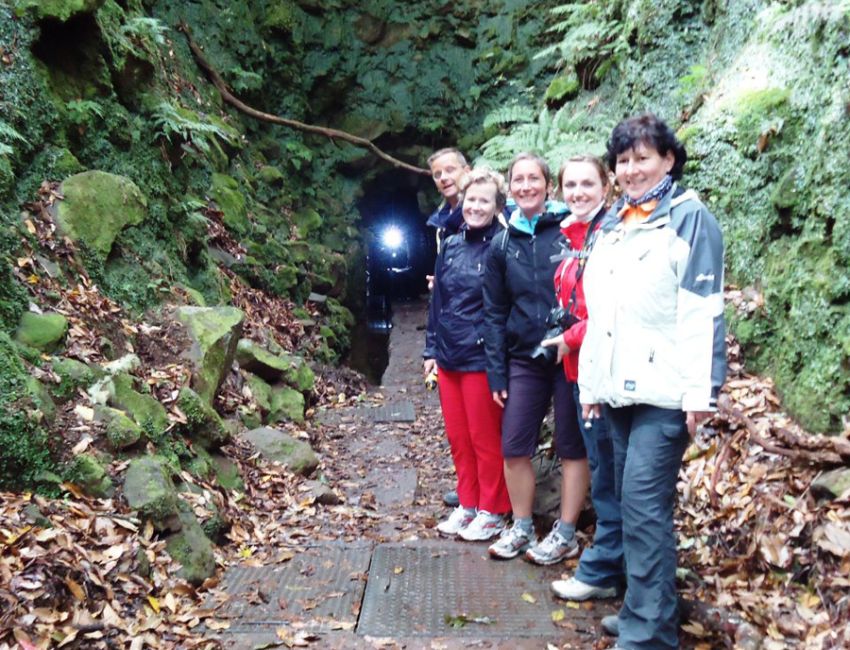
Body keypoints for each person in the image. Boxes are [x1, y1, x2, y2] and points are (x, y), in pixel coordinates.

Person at [578, 114, 726, 649]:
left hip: (665, 391)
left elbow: (702, 309)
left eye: (643, 157)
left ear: (668, 159)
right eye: (623, 160)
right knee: (632, 501)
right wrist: (591, 384)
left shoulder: (690, 218)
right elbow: (601, 313)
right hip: (620, 387)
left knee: (642, 504)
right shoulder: (616, 220)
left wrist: (701, 391)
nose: (631, 169)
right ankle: (646, 607)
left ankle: (650, 634)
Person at [483, 152, 589, 563]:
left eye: (534, 178)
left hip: (568, 352)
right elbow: (493, 311)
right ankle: (522, 526)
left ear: (548, 185)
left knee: (570, 446)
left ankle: (566, 533)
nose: (526, 185)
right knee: (513, 444)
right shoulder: (502, 243)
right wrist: (497, 373)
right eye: (518, 180)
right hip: (524, 356)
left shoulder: (568, 231)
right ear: (509, 188)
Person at [539, 156, 625, 601]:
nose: (577, 192)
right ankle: (614, 569)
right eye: (570, 184)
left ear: (606, 185)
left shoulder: (610, 234)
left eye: (587, 183)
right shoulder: (573, 233)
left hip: (605, 371)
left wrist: (570, 338)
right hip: (580, 371)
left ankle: (605, 571)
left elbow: (614, 308)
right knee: (605, 469)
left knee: (609, 475)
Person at [423, 168, 512, 540]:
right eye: (471, 200)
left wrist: (498, 362)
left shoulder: (504, 245)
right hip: (448, 354)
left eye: (484, 201)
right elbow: (438, 300)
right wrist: (430, 348)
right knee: (459, 438)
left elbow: (503, 308)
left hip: (480, 356)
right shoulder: (452, 243)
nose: (475, 207)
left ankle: (494, 510)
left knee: (484, 438)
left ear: (496, 206)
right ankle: (469, 502)